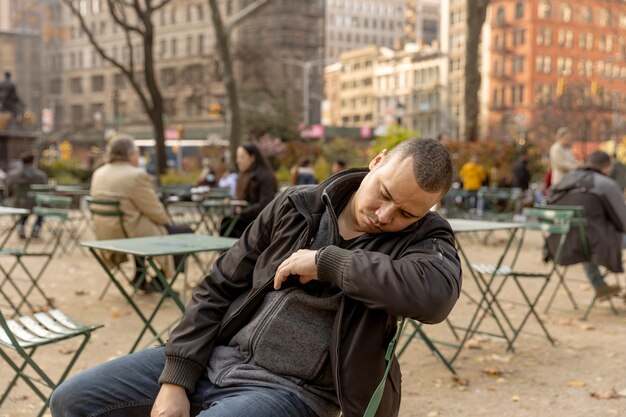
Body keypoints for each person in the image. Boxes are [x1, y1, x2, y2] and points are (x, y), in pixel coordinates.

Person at [50, 137, 462, 417]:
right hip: (217, 359)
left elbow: (434, 297)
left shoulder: (425, 237)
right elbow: (218, 286)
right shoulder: (296, 205)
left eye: (407, 213)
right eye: (385, 194)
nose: (386, 216)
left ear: (428, 211)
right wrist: (177, 378)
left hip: (295, 393)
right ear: (377, 161)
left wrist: (327, 263)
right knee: (71, 400)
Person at [89, 135, 191, 293]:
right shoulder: (135, 175)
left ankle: (139, 276)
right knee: (185, 233)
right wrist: (166, 222)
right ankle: (160, 281)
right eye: (137, 152)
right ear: (130, 154)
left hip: (107, 234)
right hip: (129, 235)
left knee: (140, 227)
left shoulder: (99, 173)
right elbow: (156, 213)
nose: (138, 156)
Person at [547, 150, 625, 300]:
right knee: (589, 236)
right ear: (607, 168)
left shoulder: (564, 181)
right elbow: (623, 221)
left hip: (559, 242)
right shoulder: (606, 184)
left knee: (583, 233)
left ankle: (599, 286)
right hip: (592, 242)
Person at [221, 143, 278, 238]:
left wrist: (243, 211)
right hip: (245, 217)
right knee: (226, 223)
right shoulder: (243, 176)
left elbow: (265, 203)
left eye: (242, 157)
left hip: (257, 221)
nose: (238, 161)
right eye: (237, 157)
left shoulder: (264, 176)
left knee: (229, 225)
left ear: (252, 158)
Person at [4, 152, 48, 239]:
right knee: (41, 207)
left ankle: (21, 225)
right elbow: (45, 191)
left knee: (25, 208)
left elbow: (8, 191)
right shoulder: (41, 175)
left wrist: (10, 198)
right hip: (35, 204)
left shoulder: (12, 175)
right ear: (33, 161)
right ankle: (37, 228)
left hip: (17, 203)